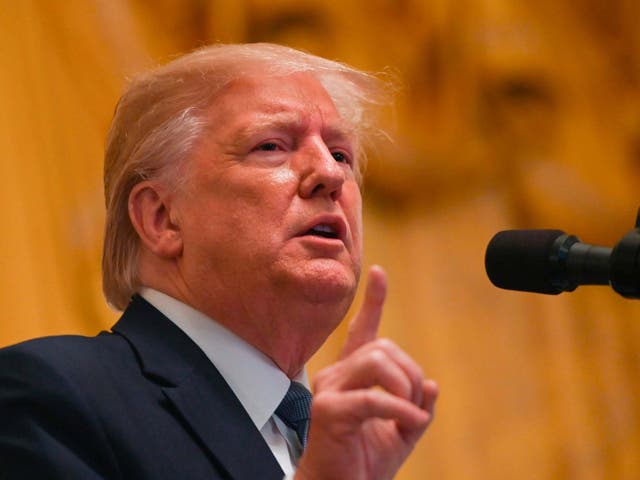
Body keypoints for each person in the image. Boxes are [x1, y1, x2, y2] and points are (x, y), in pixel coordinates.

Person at [0, 43, 438, 479]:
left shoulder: (340, 442)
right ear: (162, 218)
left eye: (342, 154)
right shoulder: (50, 395)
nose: (330, 174)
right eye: (271, 146)